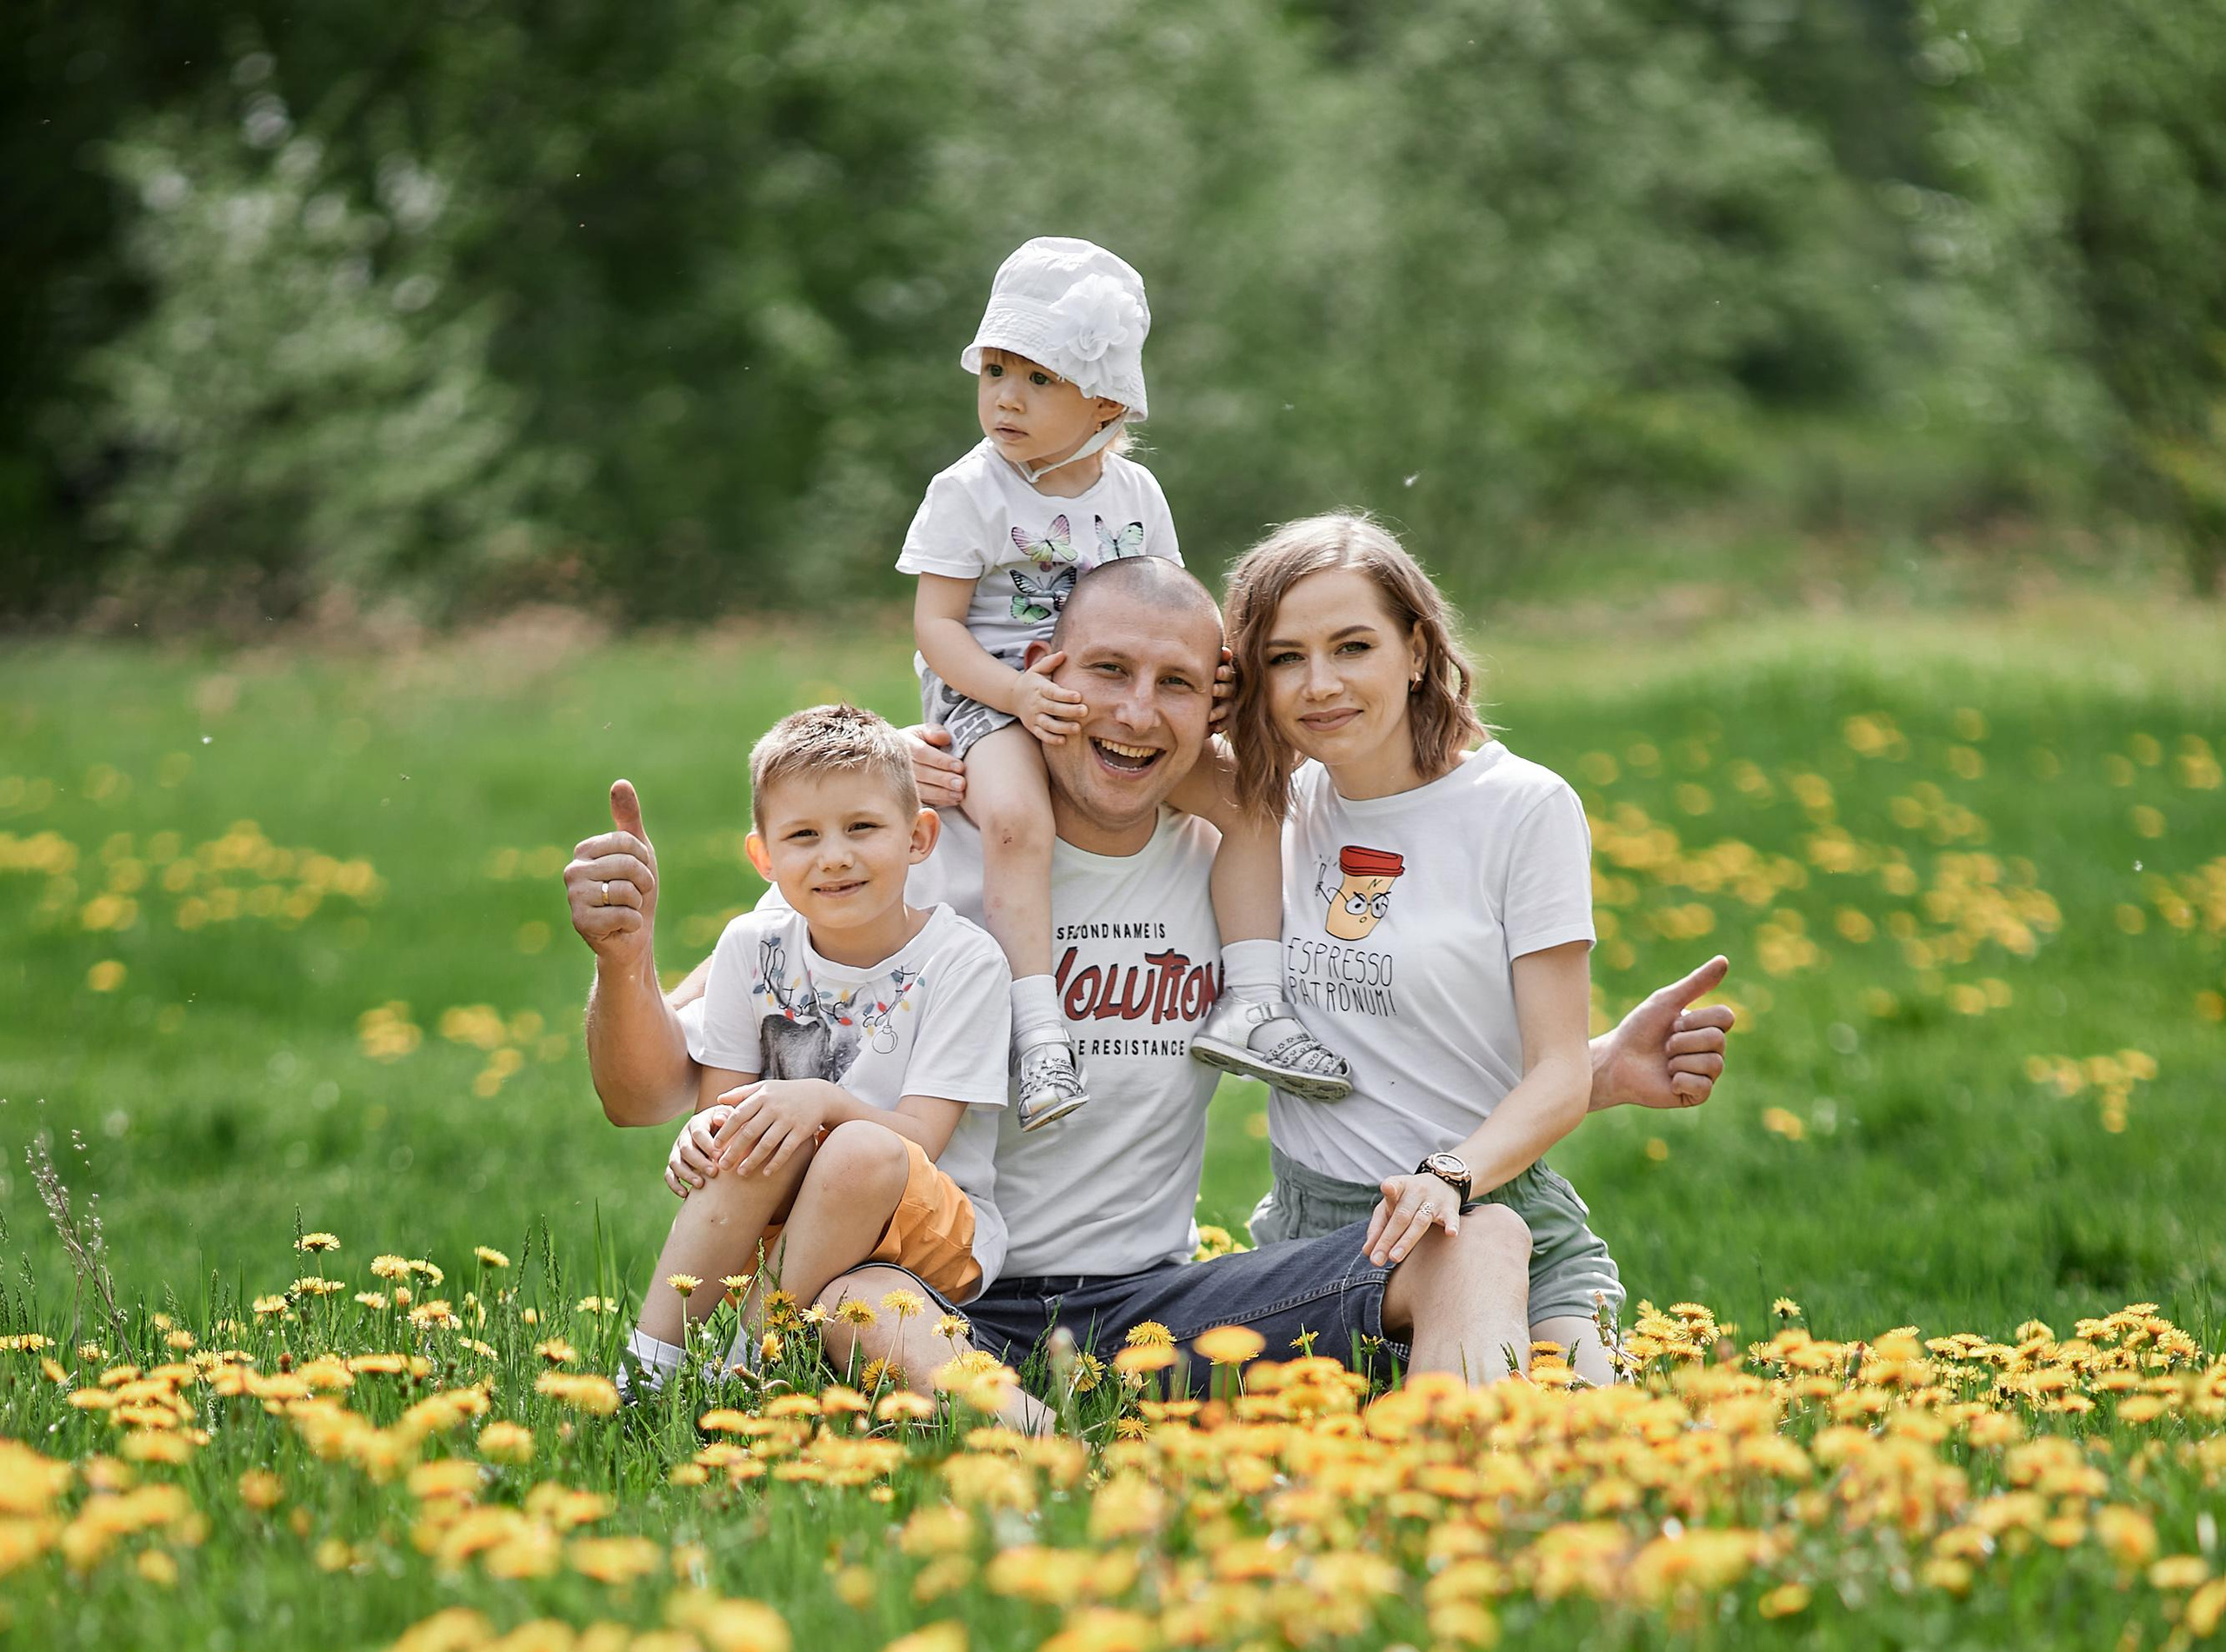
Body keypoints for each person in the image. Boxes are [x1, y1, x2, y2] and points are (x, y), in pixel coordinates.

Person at [572, 558, 1736, 1401]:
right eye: (1108, 673)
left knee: (1479, 1242)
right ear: (1042, 677)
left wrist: (1594, 1074)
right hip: (928, 1281)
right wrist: (624, 962)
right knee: (861, 1307)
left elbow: (1381, 1027)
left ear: (1217, 705)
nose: (1136, 713)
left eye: (1178, 684)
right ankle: (1029, 1454)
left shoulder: (1243, 869)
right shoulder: (920, 850)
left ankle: (1438, 1500)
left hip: (1146, 1304)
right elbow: (650, 1092)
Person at [899, 236, 1350, 1134]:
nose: (1004, 397)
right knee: (1017, 823)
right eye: (993, 370)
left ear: (1104, 401)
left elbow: (1169, 607)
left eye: (1037, 378)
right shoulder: (970, 490)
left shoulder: (1136, 493)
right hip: (992, 698)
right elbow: (934, 627)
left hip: (1111, 702)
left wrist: (1211, 687)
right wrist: (1016, 697)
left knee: (1253, 801)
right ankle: (1038, 1034)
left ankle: (1253, 1001)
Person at [1221, 511, 1626, 1380]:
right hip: (1313, 1242)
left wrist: (1449, 1175)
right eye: (1284, 658)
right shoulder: (1264, 804)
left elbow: (1557, 1072)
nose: (1318, 684)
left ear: (1416, 649)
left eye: (1352, 646)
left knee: (1590, 1453)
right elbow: (1109, 740)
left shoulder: (1521, 808)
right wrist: (922, 751)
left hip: (1494, 1219)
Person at [578, 705, 1011, 1401]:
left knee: (858, 1146)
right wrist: (702, 1131)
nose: (834, 855)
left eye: (862, 828)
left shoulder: (964, 961)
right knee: (748, 1128)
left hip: (930, 1238)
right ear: (765, 858)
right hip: (779, 1236)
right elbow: (726, 1102)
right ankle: (644, 1377)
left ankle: (737, 1376)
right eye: (804, 835)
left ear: (919, 837)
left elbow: (924, 1140)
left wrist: (825, 1099)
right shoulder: (750, 946)